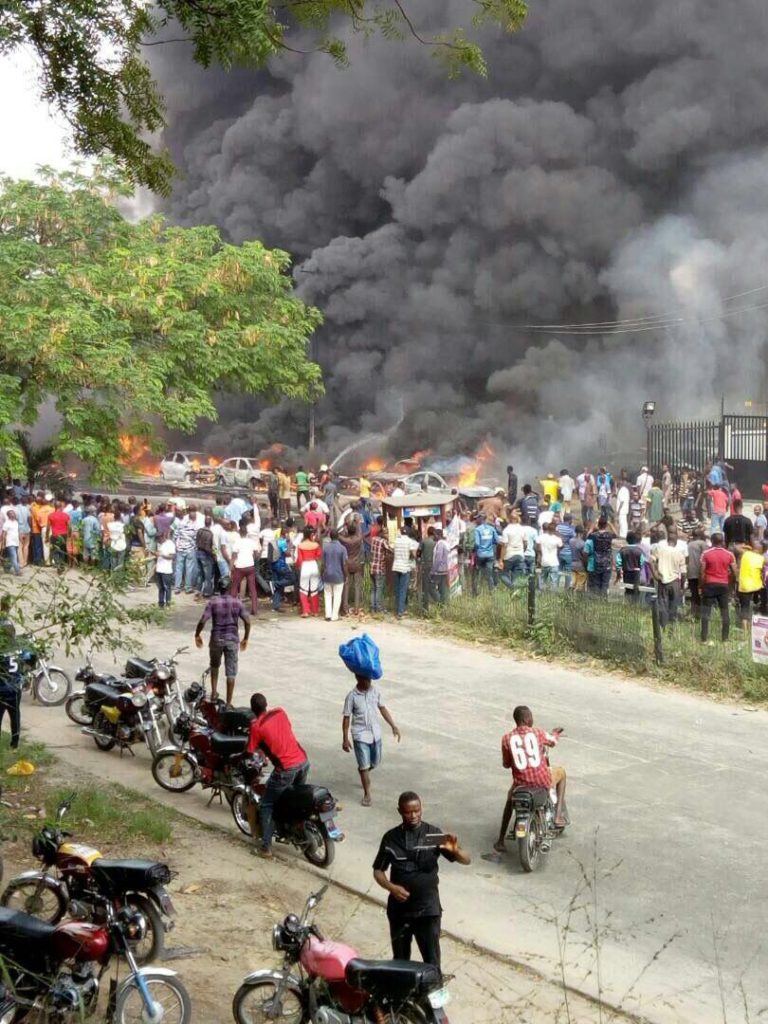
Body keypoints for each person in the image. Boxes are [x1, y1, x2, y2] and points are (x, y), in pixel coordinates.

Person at [373, 792, 470, 968]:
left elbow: (466, 860)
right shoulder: (391, 838)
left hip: (427, 910)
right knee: (400, 962)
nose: (413, 816)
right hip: (399, 912)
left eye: (417, 811)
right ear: (400, 812)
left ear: (421, 809)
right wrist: (391, 888)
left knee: (432, 962)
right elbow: (378, 871)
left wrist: (455, 849)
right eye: (408, 812)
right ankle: (402, 994)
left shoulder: (433, 835)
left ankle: (434, 992)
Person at [492, 706, 567, 859]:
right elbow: (552, 742)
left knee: (509, 799)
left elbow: (506, 764)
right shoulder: (537, 732)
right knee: (562, 773)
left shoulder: (506, 738)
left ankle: (500, 840)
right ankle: (558, 817)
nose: (532, 719)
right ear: (526, 719)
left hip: (520, 783)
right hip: (541, 781)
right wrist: (555, 733)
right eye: (531, 717)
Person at [246, 693, 310, 858]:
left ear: (253, 709)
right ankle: (295, 826)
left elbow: (250, 751)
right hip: (303, 762)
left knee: (267, 804)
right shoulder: (280, 712)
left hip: (286, 769)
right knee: (294, 798)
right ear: (267, 704)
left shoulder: (256, 726)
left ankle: (266, 848)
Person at [342, 674, 400, 806]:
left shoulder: (375, 692)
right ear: (358, 678)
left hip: (375, 734)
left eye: (369, 679)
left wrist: (393, 725)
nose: (369, 682)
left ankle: (364, 770)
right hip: (360, 735)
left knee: (375, 761)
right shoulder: (352, 696)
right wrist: (345, 738)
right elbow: (346, 717)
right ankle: (367, 793)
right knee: (364, 766)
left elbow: (382, 708)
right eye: (366, 679)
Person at [195, 577, 251, 704]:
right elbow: (247, 622)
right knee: (231, 672)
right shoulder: (237, 602)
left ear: (219, 588)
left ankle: (214, 693)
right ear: (231, 588)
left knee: (214, 665)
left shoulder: (213, 602)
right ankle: (228, 703)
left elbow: (203, 620)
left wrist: (197, 634)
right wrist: (246, 638)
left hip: (216, 639)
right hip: (232, 639)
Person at [700, 533, 736, 643]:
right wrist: (731, 585)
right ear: (723, 541)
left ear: (712, 541)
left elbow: (702, 572)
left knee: (706, 612)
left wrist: (701, 586)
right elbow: (735, 571)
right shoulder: (730, 554)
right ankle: (725, 639)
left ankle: (704, 638)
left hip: (709, 584)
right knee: (725, 612)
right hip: (723, 585)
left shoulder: (705, 554)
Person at [652, 526, 686, 627]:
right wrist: (682, 586)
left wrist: (655, 574)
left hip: (663, 581)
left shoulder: (660, 550)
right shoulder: (679, 554)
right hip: (675, 582)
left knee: (663, 605)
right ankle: (672, 626)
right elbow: (683, 573)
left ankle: (663, 626)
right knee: (673, 606)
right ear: (675, 542)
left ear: (667, 541)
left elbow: (650, 561)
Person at [737, 534, 766, 631]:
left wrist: (749, 547)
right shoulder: (761, 559)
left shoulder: (745, 553)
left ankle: (745, 629)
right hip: (757, 586)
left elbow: (738, 547)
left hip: (745, 586)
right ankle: (754, 622)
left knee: (744, 607)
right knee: (753, 604)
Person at [230, 521, 260, 615]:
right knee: (252, 588)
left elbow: (234, 556)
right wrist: (253, 560)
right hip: (250, 566)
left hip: (240, 567)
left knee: (234, 587)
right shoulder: (251, 542)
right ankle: (254, 609)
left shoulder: (237, 542)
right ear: (247, 533)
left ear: (239, 533)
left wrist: (231, 568)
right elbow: (256, 554)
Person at [392, 525, 419, 618]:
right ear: (407, 533)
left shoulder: (396, 540)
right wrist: (415, 557)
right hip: (405, 567)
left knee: (398, 589)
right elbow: (413, 554)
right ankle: (400, 611)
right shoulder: (409, 541)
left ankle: (397, 609)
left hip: (396, 567)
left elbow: (393, 550)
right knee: (403, 589)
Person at [295, 525, 323, 617]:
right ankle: (315, 611)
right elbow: (319, 556)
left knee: (303, 589)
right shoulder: (316, 545)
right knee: (314, 589)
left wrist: (298, 567)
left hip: (305, 566)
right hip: (314, 565)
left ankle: (306, 611)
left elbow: (299, 560)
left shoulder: (300, 545)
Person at [584, 517, 615, 594]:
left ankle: (596, 601)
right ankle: (603, 601)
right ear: (606, 525)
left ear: (598, 524)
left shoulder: (594, 535)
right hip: (607, 563)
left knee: (596, 584)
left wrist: (593, 525)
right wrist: (610, 524)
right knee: (605, 584)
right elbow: (616, 534)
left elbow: (587, 535)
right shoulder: (609, 535)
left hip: (596, 562)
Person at [322, 529, 347, 621]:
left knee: (327, 595)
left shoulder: (325, 548)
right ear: (338, 537)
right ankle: (334, 616)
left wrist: (322, 573)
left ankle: (327, 615)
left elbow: (323, 564)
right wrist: (345, 575)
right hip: (338, 575)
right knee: (337, 596)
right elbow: (344, 564)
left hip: (327, 574)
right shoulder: (342, 548)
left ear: (330, 537)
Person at [340, 521, 364, 616]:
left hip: (347, 564)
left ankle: (345, 608)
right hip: (357, 564)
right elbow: (360, 531)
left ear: (347, 531)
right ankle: (357, 609)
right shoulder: (358, 539)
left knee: (346, 585)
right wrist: (357, 525)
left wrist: (343, 525)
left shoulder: (344, 540)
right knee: (357, 586)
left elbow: (335, 533)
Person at [615, 531, 644, 601]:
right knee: (636, 590)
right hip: (636, 574)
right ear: (636, 540)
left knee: (628, 590)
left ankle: (628, 605)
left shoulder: (622, 550)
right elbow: (642, 562)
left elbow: (618, 563)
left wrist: (618, 574)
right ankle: (635, 605)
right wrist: (640, 568)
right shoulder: (639, 550)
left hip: (626, 573)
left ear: (627, 540)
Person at [686, 527, 708, 620]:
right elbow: (706, 557)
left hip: (691, 572)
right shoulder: (703, 544)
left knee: (694, 594)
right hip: (700, 572)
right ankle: (702, 614)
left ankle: (694, 613)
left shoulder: (688, 544)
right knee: (704, 594)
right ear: (700, 535)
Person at [369, 520, 391, 614]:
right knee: (379, 588)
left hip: (372, 567)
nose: (387, 534)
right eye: (386, 533)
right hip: (380, 569)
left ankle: (373, 608)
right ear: (382, 533)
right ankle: (379, 608)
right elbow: (391, 550)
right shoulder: (383, 542)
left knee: (374, 588)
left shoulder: (373, 539)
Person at [195, 515, 216, 599]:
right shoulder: (209, 533)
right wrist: (213, 555)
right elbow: (207, 547)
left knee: (200, 574)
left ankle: (198, 590)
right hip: (205, 555)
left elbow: (196, 541)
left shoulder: (199, 530)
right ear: (210, 523)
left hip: (198, 553)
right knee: (207, 575)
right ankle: (207, 592)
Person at [537, 521, 562, 589]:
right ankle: (552, 597)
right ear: (555, 530)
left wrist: (539, 558)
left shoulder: (541, 537)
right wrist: (558, 535)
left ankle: (541, 594)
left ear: (547, 529)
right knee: (553, 582)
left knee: (542, 580)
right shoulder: (557, 539)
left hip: (544, 561)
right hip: (554, 562)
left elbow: (538, 549)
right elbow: (561, 546)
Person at [417, 526, 436, 610]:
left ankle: (425, 607)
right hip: (434, 566)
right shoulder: (436, 543)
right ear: (434, 533)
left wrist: (419, 561)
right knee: (433, 586)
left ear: (428, 533)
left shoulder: (423, 541)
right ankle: (437, 603)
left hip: (425, 566)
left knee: (425, 586)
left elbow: (418, 553)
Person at [155, 532, 176, 608]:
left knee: (167, 588)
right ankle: (161, 604)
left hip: (166, 570)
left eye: (159, 539)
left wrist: (161, 555)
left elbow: (172, 557)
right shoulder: (159, 544)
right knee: (160, 588)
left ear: (162, 537)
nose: (158, 541)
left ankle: (168, 603)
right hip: (159, 569)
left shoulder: (170, 544)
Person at [431, 526, 450, 604]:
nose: (433, 536)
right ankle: (443, 604)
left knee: (431, 587)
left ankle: (439, 602)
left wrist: (433, 570)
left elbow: (438, 559)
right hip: (444, 569)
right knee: (442, 589)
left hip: (439, 570)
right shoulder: (445, 543)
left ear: (438, 535)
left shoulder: (440, 544)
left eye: (434, 535)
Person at [1, 510, 20, 576]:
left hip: (16, 542)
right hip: (10, 542)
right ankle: (17, 571)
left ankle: (7, 568)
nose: (13, 514)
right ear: (8, 515)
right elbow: (3, 534)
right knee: (14, 557)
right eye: (11, 513)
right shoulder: (6, 523)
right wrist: (3, 544)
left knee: (10, 557)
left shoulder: (16, 522)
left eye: (14, 513)